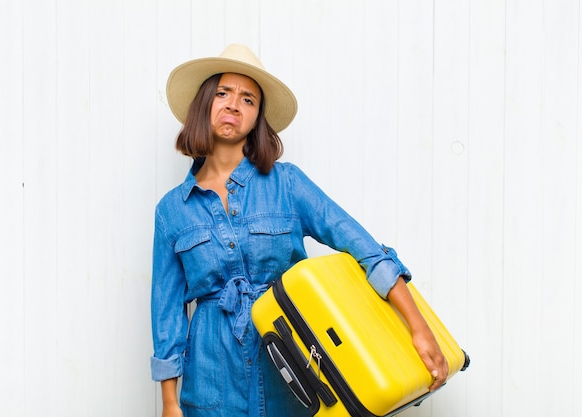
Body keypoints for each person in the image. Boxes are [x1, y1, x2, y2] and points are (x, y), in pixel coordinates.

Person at [151, 44, 448, 417]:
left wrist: (418, 327)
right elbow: (166, 314)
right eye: (223, 93)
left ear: (257, 117)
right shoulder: (171, 211)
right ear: (204, 104)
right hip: (210, 383)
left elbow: (365, 249)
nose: (233, 105)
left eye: (248, 99)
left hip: (290, 371)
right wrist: (169, 403)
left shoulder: (288, 185)